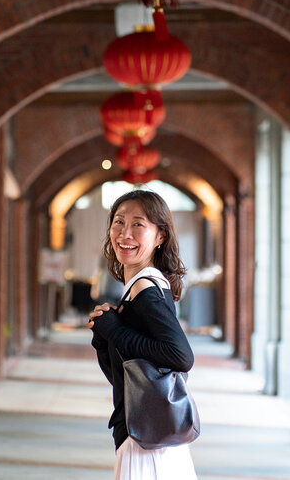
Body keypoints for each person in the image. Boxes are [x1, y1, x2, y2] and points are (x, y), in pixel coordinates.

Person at [88, 190, 197, 480]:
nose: (125, 234)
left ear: (160, 236)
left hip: (146, 441)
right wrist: (104, 338)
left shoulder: (145, 288)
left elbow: (180, 356)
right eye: (119, 222)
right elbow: (126, 377)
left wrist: (115, 330)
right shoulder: (137, 287)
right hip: (144, 432)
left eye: (138, 224)